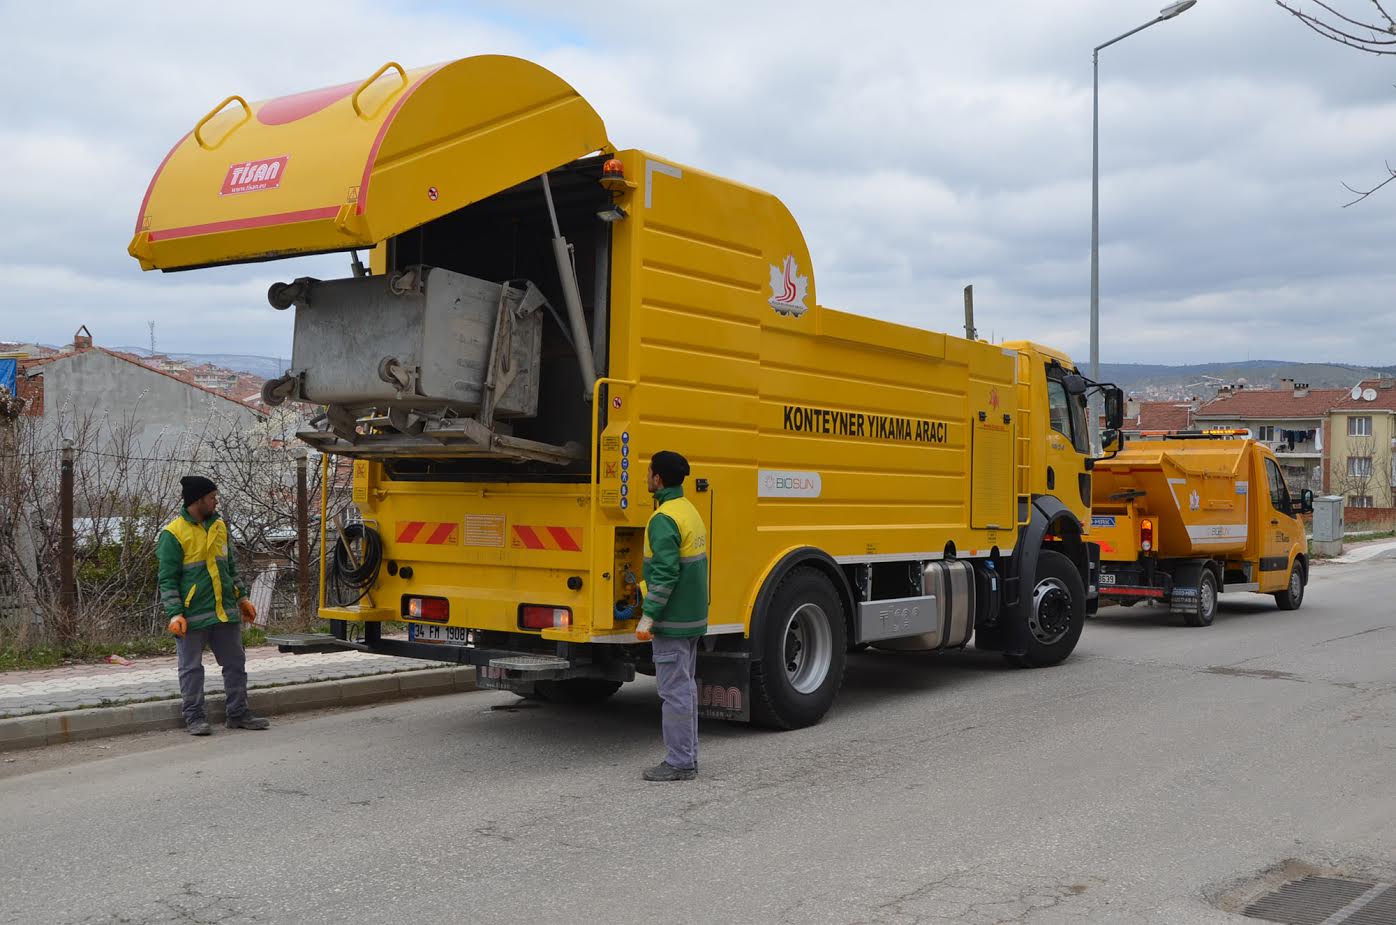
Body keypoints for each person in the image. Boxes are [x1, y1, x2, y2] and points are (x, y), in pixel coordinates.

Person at [157, 475, 269, 736]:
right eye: (211, 497)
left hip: (225, 611)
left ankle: (238, 713)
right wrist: (174, 614)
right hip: (192, 614)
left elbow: (229, 567)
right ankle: (194, 717)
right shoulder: (173, 534)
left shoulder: (219, 526)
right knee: (191, 669)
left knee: (235, 664)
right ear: (198, 500)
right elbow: (167, 579)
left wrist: (241, 598)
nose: (216, 501)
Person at [631, 450, 708, 781]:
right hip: (691, 620)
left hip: (672, 622)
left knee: (674, 690)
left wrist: (648, 616)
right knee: (685, 688)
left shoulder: (663, 519)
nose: (646, 477)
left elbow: (665, 574)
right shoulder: (688, 510)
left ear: (658, 479)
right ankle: (687, 755)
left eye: (649, 472)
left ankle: (679, 763)